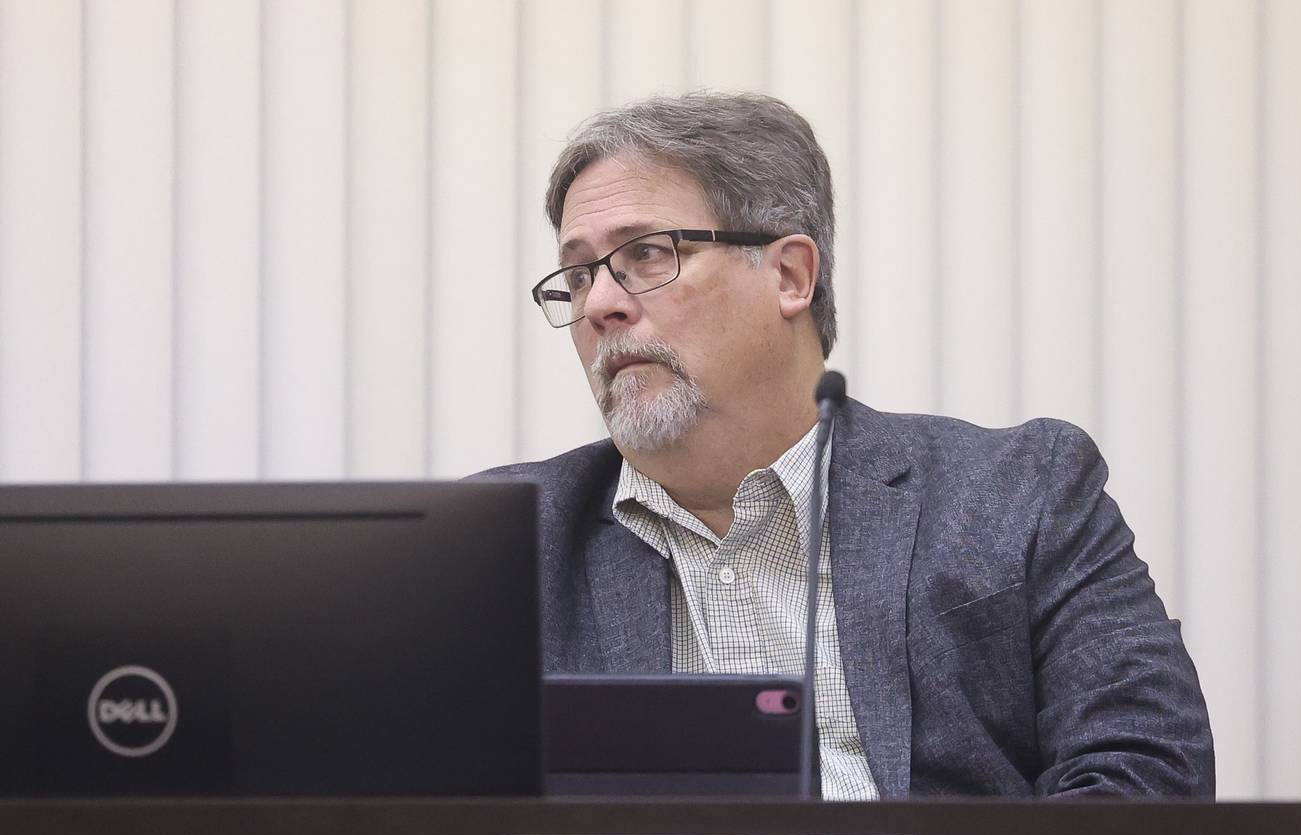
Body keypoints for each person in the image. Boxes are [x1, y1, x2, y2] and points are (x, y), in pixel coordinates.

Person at [477, 92, 1213, 799]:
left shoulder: (1020, 493)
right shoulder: (503, 543)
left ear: (791, 276)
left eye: (646, 254)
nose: (600, 303)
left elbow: (1147, 775)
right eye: (577, 275)